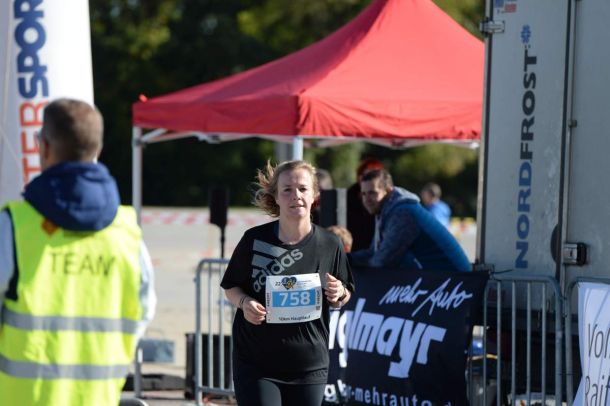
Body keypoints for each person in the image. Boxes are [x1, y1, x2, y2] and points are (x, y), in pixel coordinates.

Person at [0, 99, 156, 405]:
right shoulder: (127, 233)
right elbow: (143, 311)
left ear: (44, 147)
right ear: (97, 150)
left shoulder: (14, 226)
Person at [220, 160, 354, 406]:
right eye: (287, 190)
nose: (296, 196)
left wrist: (339, 293)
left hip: (310, 366)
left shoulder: (330, 244)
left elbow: (345, 293)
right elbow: (230, 286)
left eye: (303, 189)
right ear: (276, 197)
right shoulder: (254, 239)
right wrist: (245, 303)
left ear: (314, 195)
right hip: (257, 365)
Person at [350, 169, 471, 272]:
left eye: (372, 193)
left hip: (455, 282)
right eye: (363, 194)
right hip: (441, 279)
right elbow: (374, 253)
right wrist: (343, 259)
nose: (366, 199)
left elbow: (382, 261)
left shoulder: (403, 213)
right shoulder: (387, 211)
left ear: (389, 191)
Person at [346, 158, 384, 251]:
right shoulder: (347, 197)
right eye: (364, 175)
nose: (367, 179)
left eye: (372, 193)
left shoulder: (388, 205)